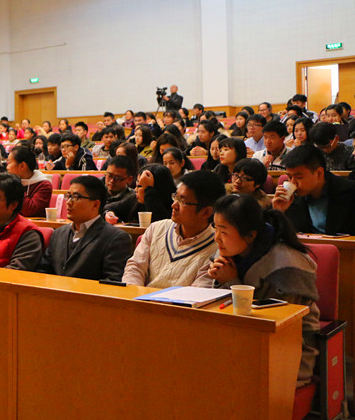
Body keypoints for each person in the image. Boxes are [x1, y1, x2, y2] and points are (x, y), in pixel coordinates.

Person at [202, 194, 319, 386]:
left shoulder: (286, 266)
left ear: (250, 235)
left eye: (224, 232)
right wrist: (219, 280)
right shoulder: (228, 253)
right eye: (215, 228)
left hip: (288, 352)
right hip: (240, 342)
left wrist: (231, 282)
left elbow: (272, 323)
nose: (217, 239)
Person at [122, 170, 225, 288]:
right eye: (175, 197)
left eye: (182, 201)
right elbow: (135, 267)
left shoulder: (216, 250)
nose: (174, 205)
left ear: (206, 212)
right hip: (140, 297)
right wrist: (134, 293)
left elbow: (197, 293)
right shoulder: (157, 228)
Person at [39, 175, 133, 280]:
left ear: (95, 205)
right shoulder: (59, 233)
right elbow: (43, 270)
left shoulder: (115, 238)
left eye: (76, 197)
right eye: (68, 196)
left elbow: (112, 281)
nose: (69, 202)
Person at [273, 145, 355, 235]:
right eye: (289, 177)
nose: (293, 183)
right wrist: (280, 212)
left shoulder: (349, 192)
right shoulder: (291, 199)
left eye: (299, 177)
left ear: (319, 173)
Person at [6, 145, 52, 218]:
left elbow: (30, 210)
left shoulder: (44, 185)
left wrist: (16, 185)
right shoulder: (9, 182)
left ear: (22, 166)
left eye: (9, 163)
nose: (7, 167)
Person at [102, 156, 137, 221]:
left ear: (129, 179)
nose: (112, 181)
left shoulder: (133, 198)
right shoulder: (96, 192)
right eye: (109, 175)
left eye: (117, 178)